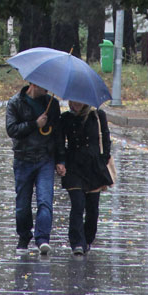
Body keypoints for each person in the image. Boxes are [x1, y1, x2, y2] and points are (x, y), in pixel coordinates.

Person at [6, 83, 65, 255]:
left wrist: (61, 159)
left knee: (45, 200)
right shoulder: (15, 103)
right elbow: (12, 130)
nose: (47, 88)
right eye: (43, 85)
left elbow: (57, 133)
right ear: (33, 84)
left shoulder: (51, 104)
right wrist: (35, 124)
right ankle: (24, 236)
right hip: (23, 160)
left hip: (45, 159)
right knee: (22, 205)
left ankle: (43, 239)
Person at [58, 100, 112, 255]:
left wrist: (103, 159)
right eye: (72, 101)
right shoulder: (66, 118)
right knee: (77, 204)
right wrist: (60, 161)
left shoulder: (98, 116)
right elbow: (60, 142)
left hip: (94, 167)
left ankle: (88, 239)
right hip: (74, 167)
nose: (75, 104)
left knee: (92, 208)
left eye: (78, 101)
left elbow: (106, 139)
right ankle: (77, 243)